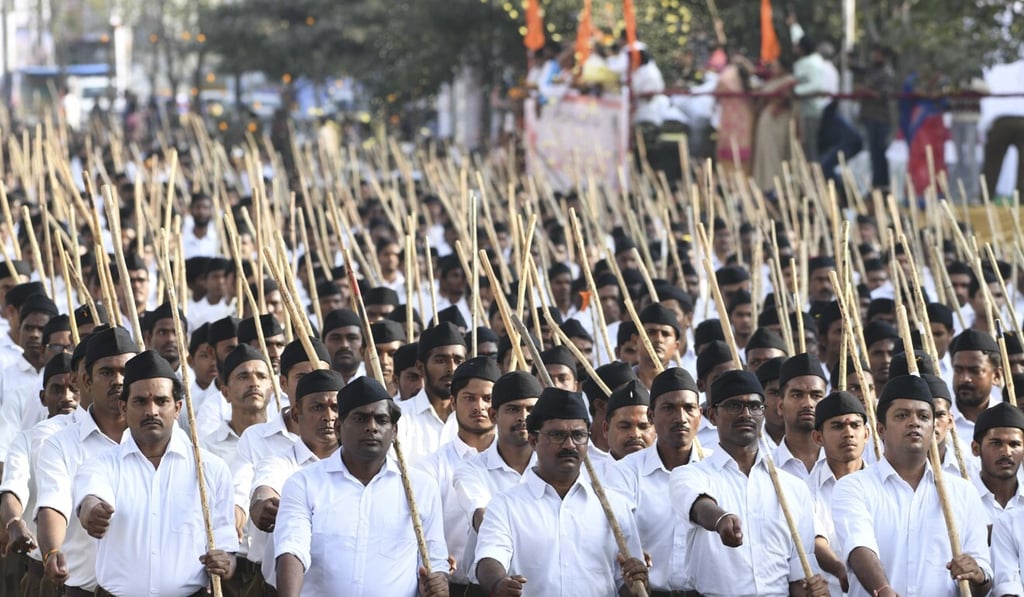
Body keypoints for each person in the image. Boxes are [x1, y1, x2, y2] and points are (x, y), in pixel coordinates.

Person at [72, 350, 237, 596]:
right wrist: (92, 511)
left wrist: (226, 563)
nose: (152, 411)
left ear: (177, 407)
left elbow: (227, 550)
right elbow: (91, 497)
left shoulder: (210, 470)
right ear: (123, 407)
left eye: (161, 401)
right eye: (140, 402)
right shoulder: (102, 465)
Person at [274, 377, 449, 596]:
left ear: (394, 431)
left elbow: (435, 559)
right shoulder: (304, 483)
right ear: (338, 427)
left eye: (381, 419)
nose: (371, 427)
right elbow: (292, 549)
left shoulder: (420, 487)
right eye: (360, 419)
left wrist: (438, 582)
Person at [474, 386, 648, 596]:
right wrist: (498, 583)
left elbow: (628, 585)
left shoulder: (614, 505)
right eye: (557, 435)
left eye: (578, 435)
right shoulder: (505, 505)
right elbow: (489, 559)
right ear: (533, 440)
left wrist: (637, 583)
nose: (569, 445)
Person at [670, 369, 828, 596]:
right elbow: (700, 506)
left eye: (755, 406)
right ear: (712, 415)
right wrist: (721, 519)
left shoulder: (792, 487)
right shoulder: (689, 475)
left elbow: (797, 575)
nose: (746, 414)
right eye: (734, 406)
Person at [832, 375, 992, 596]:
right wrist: (883, 589)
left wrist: (976, 575)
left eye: (924, 416)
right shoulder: (854, 486)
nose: (914, 422)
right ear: (880, 429)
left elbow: (982, 579)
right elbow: (860, 547)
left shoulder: (963, 492)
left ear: (933, 427)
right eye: (902, 415)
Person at [35, 327, 139, 595]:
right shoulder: (61, 444)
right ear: (86, 380)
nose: (118, 380)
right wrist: (52, 551)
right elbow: (53, 506)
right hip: (84, 589)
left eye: (126, 371)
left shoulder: (161, 440)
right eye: (107, 372)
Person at [606, 367, 704, 595]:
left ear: (700, 413)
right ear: (651, 416)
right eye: (669, 408)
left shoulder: (717, 468)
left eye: (689, 408)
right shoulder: (625, 472)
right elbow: (618, 539)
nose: (681, 418)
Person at [250, 368, 343, 591]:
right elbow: (265, 489)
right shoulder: (281, 462)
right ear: (295, 414)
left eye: (335, 408)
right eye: (317, 407)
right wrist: (262, 505)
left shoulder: (360, 467)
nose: (328, 416)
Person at [415, 356, 499, 595]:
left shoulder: (519, 465)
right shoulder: (430, 469)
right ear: (453, 402)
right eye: (469, 398)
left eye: (487, 399)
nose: (479, 407)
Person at [452, 371, 542, 589]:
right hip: (488, 588)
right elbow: (482, 517)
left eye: (530, 410)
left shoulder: (553, 469)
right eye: (513, 409)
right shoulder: (471, 469)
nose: (523, 417)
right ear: (493, 415)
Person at [0, 353, 80, 596]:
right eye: (57, 389)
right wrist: (14, 523)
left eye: (73, 388)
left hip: (91, 578)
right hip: (42, 570)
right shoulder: (27, 440)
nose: (66, 397)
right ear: (43, 398)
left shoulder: (102, 438)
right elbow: (13, 487)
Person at [807, 391, 869, 594]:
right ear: (818, 437)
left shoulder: (883, 485)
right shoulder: (806, 488)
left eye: (855, 425)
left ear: (866, 434)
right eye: (837, 426)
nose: (848, 433)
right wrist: (839, 569)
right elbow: (817, 541)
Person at [397, 322, 467, 465]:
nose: (451, 369)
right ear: (421, 368)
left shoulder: (475, 419)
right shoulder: (400, 417)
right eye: (441, 361)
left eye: (458, 361)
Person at [773, 353, 828, 479]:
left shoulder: (843, 463)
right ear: (780, 406)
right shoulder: (767, 469)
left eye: (816, 395)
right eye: (797, 395)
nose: (808, 403)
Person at [970, 403, 1024, 528]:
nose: (1006, 452)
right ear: (976, 448)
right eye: (996, 443)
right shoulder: (961, 499)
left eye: (1014, 444)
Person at [853, 44, 897, 191]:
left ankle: (882, 185)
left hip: (881, 119)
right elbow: (857, 68)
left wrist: (865, 91)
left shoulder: (886, 73)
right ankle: (876, 183)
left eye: (878, 54)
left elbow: (883, 95)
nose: (875, 57)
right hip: (869, 117)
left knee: (880, 152)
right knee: (873, 153)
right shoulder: (871, 70)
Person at [603, 379, 655, 463]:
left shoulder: (672, 473)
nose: (635, 434)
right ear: (606, 429)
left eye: (643, 427)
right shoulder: (585, 474)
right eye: (625, 427)